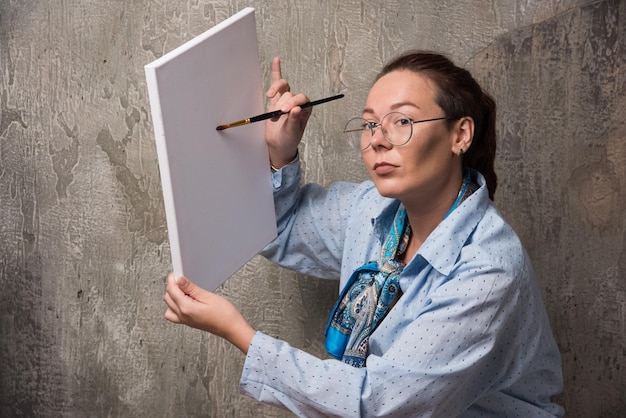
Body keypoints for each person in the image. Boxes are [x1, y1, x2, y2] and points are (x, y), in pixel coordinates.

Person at [163, 50, 564, 417]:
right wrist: (277, 152)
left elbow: (379, 405)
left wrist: (240, 334)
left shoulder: (487, 271)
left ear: (460, 135)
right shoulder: (372, 209)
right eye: (370, 123)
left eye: (401, 121)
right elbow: (276, 230)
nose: (376, 139)